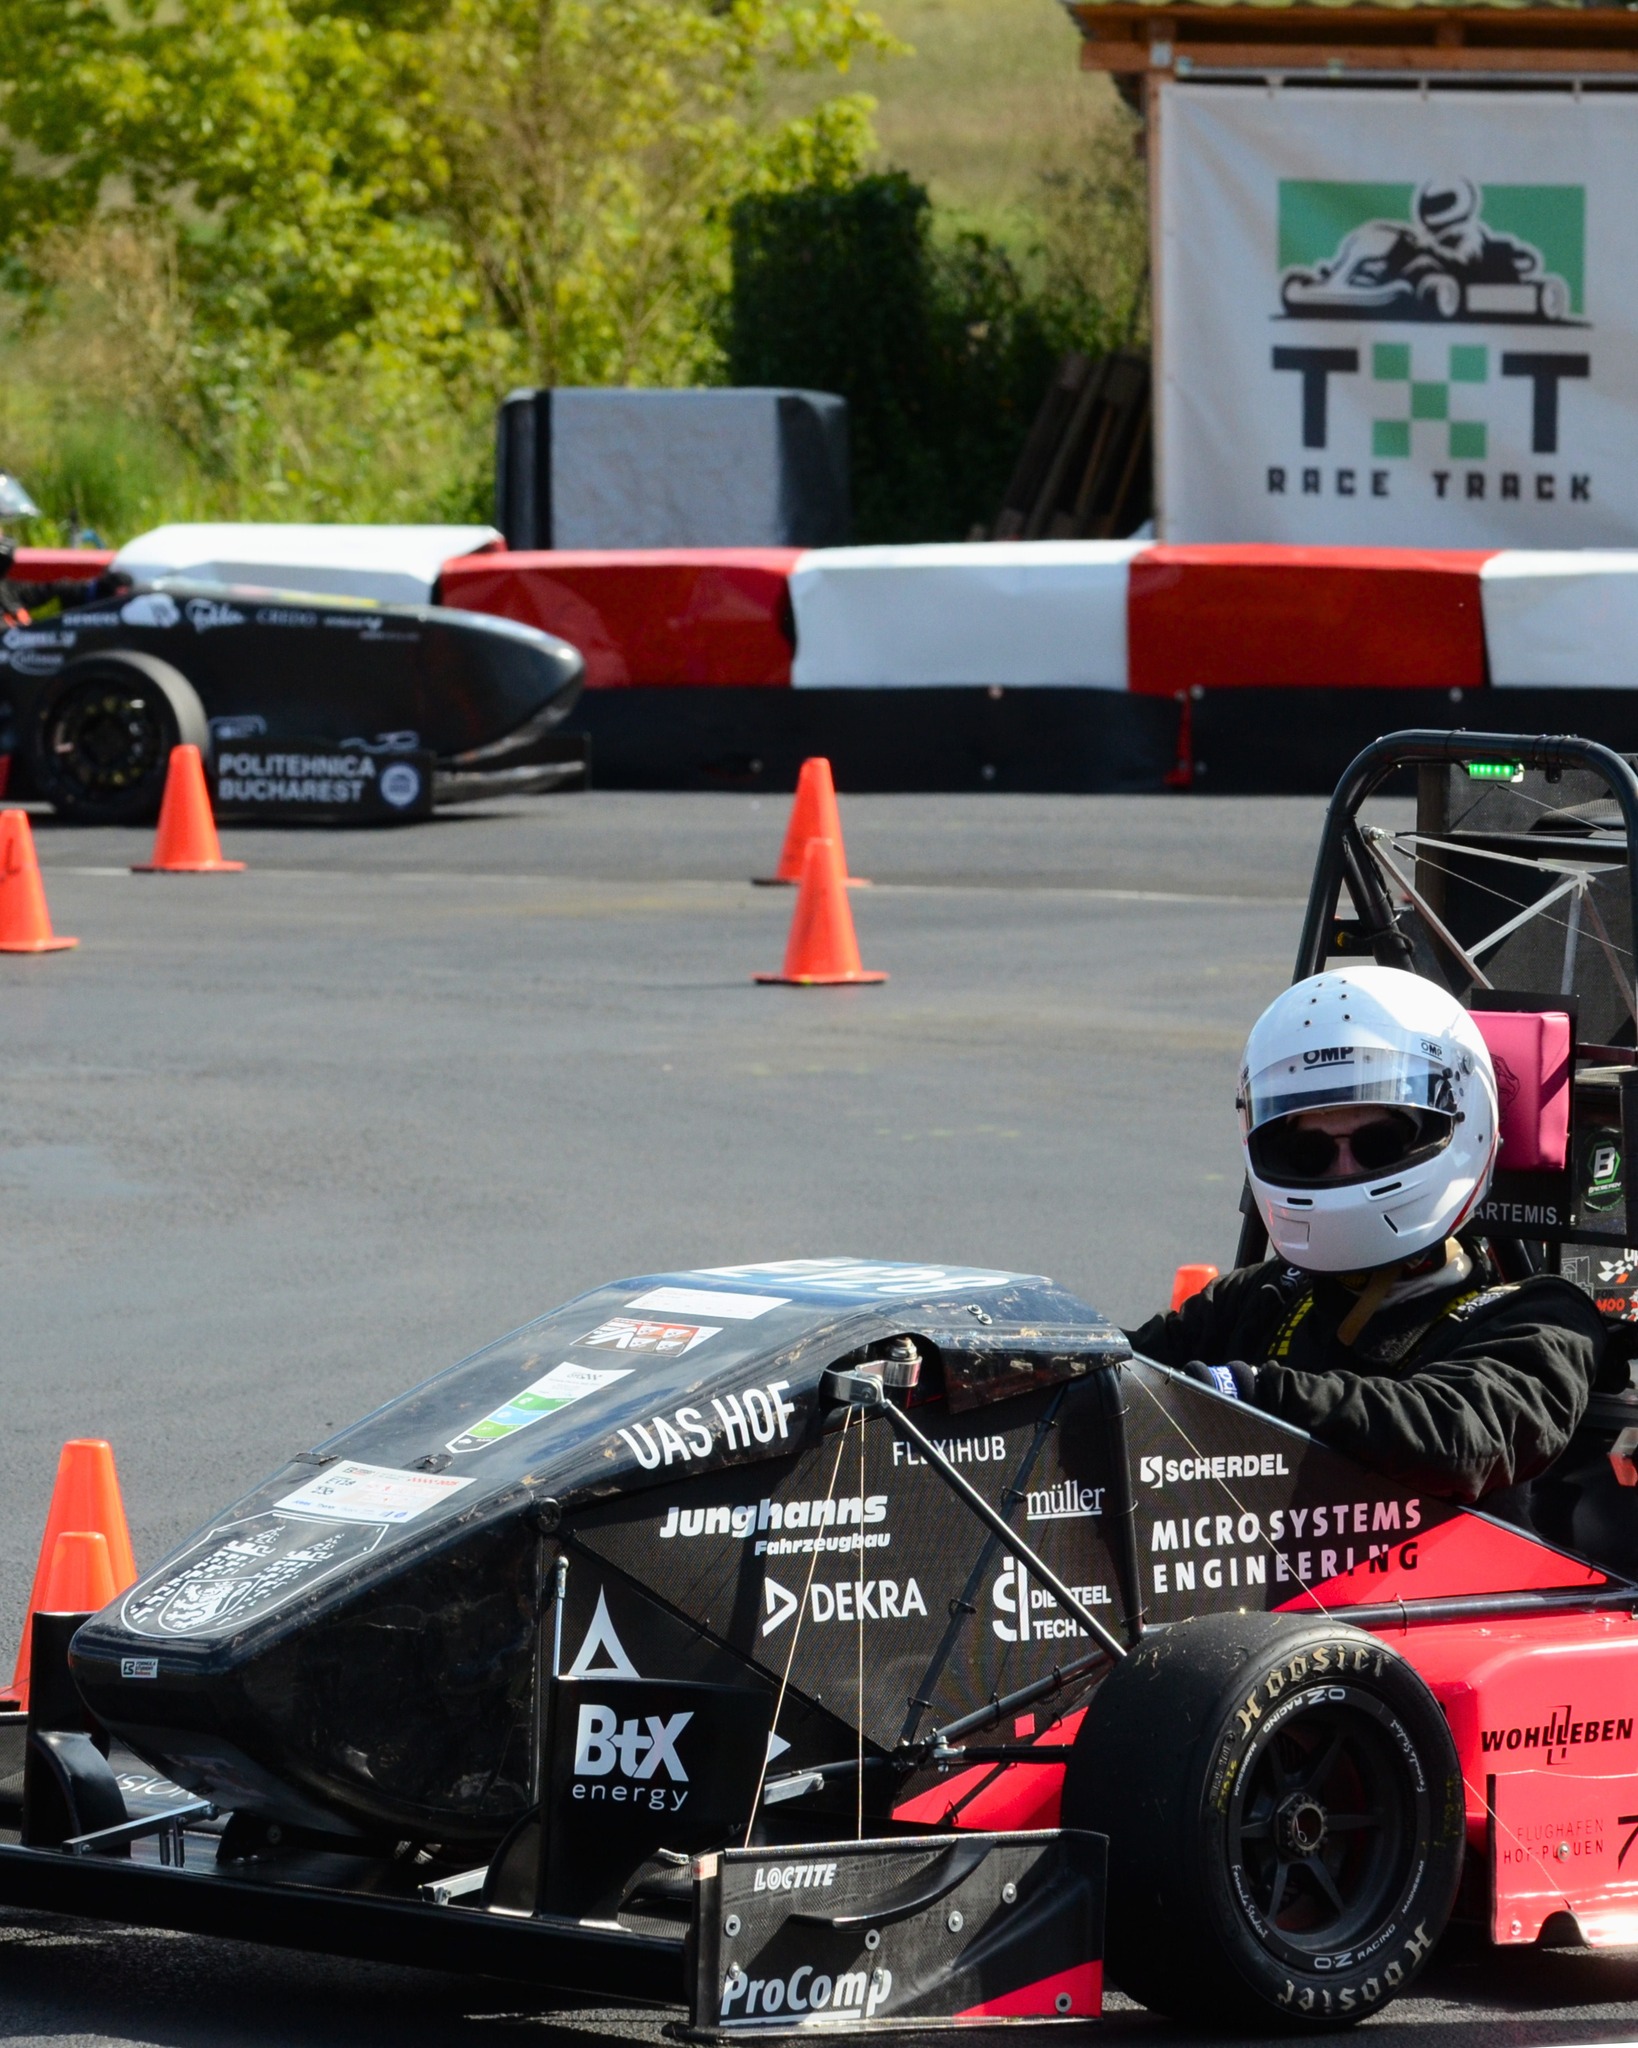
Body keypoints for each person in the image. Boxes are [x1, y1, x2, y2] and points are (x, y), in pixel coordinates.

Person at [1125, 966, 1604, 1504]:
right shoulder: (1264, 1295)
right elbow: (1119, 1375)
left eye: (1378, 1143)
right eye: (1311, 1153)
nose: (1344, 1171)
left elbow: (1461, 1439)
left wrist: (1248, 1394)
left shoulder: (1540, 1317)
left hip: (1428, 1582)